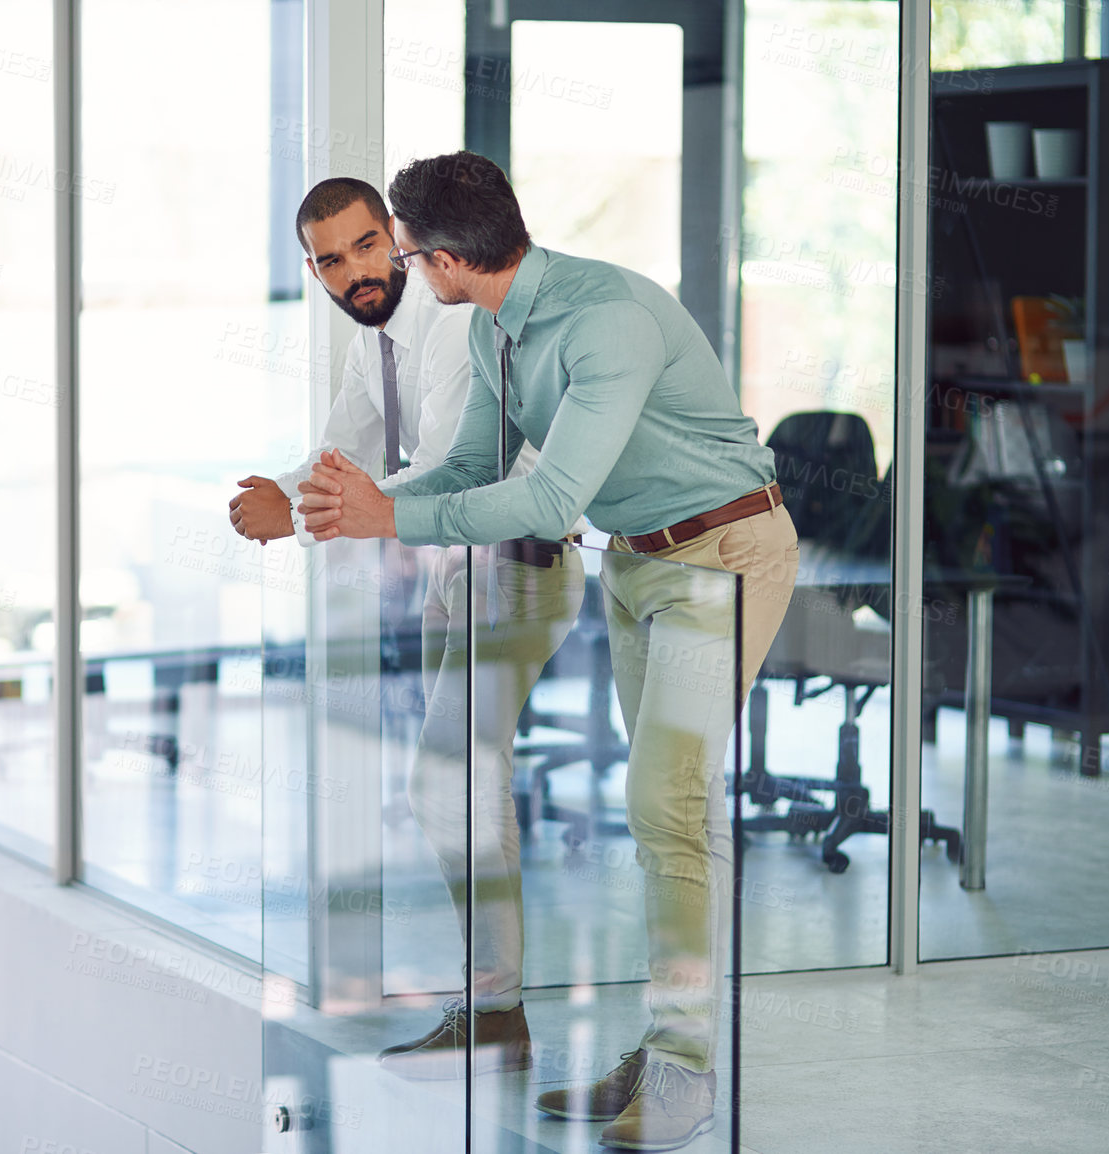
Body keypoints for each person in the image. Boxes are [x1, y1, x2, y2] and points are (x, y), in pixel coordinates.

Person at [298, 151, 799, 1152]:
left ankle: (684, 1072)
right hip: (638, 566)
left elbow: (545, 500)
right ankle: (661, 1051)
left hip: (725, 552)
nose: (403, 273)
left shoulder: (604, 317)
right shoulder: (497, 328)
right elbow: (472, 467)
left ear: (441, 259)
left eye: (402, 252)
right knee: (661, 811)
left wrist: (381, 518)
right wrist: (358, 502)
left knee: (667, 801)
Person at [229, 178, 586, 1084]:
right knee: (458, 786)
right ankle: (491, 1007)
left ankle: (497, 1009)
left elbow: (442, 470)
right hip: (450, 577)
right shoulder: (374, 343)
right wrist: (288, 491)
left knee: (451, 779)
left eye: (363, 247)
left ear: (394, 237)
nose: (355, 272)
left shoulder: (451, 324)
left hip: (518, 566)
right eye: (330, 261)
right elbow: (341, 456)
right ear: (312, 273)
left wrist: (307, 516)